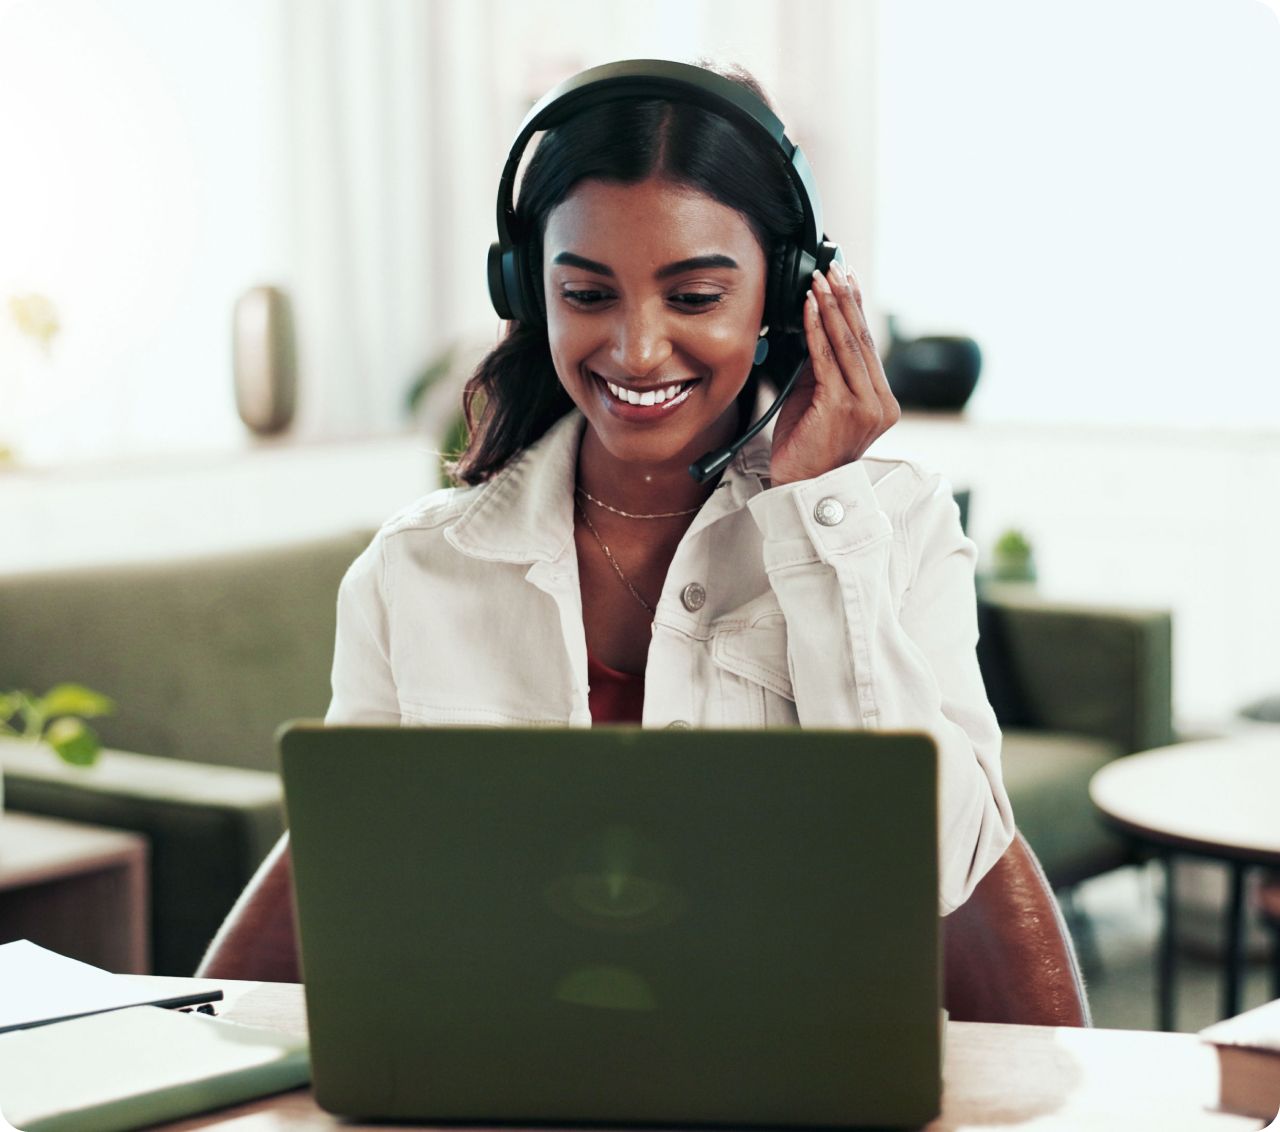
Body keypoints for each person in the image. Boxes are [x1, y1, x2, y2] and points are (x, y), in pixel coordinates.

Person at [199, 60, 1013, 981]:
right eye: (587, 295)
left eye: (696, 297)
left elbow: (934, 869)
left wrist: (815, 512)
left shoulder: (894, 528)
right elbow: (367, 900)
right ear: (524, 288)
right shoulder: (413, 571)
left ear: (786, 296)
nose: (636, 349)